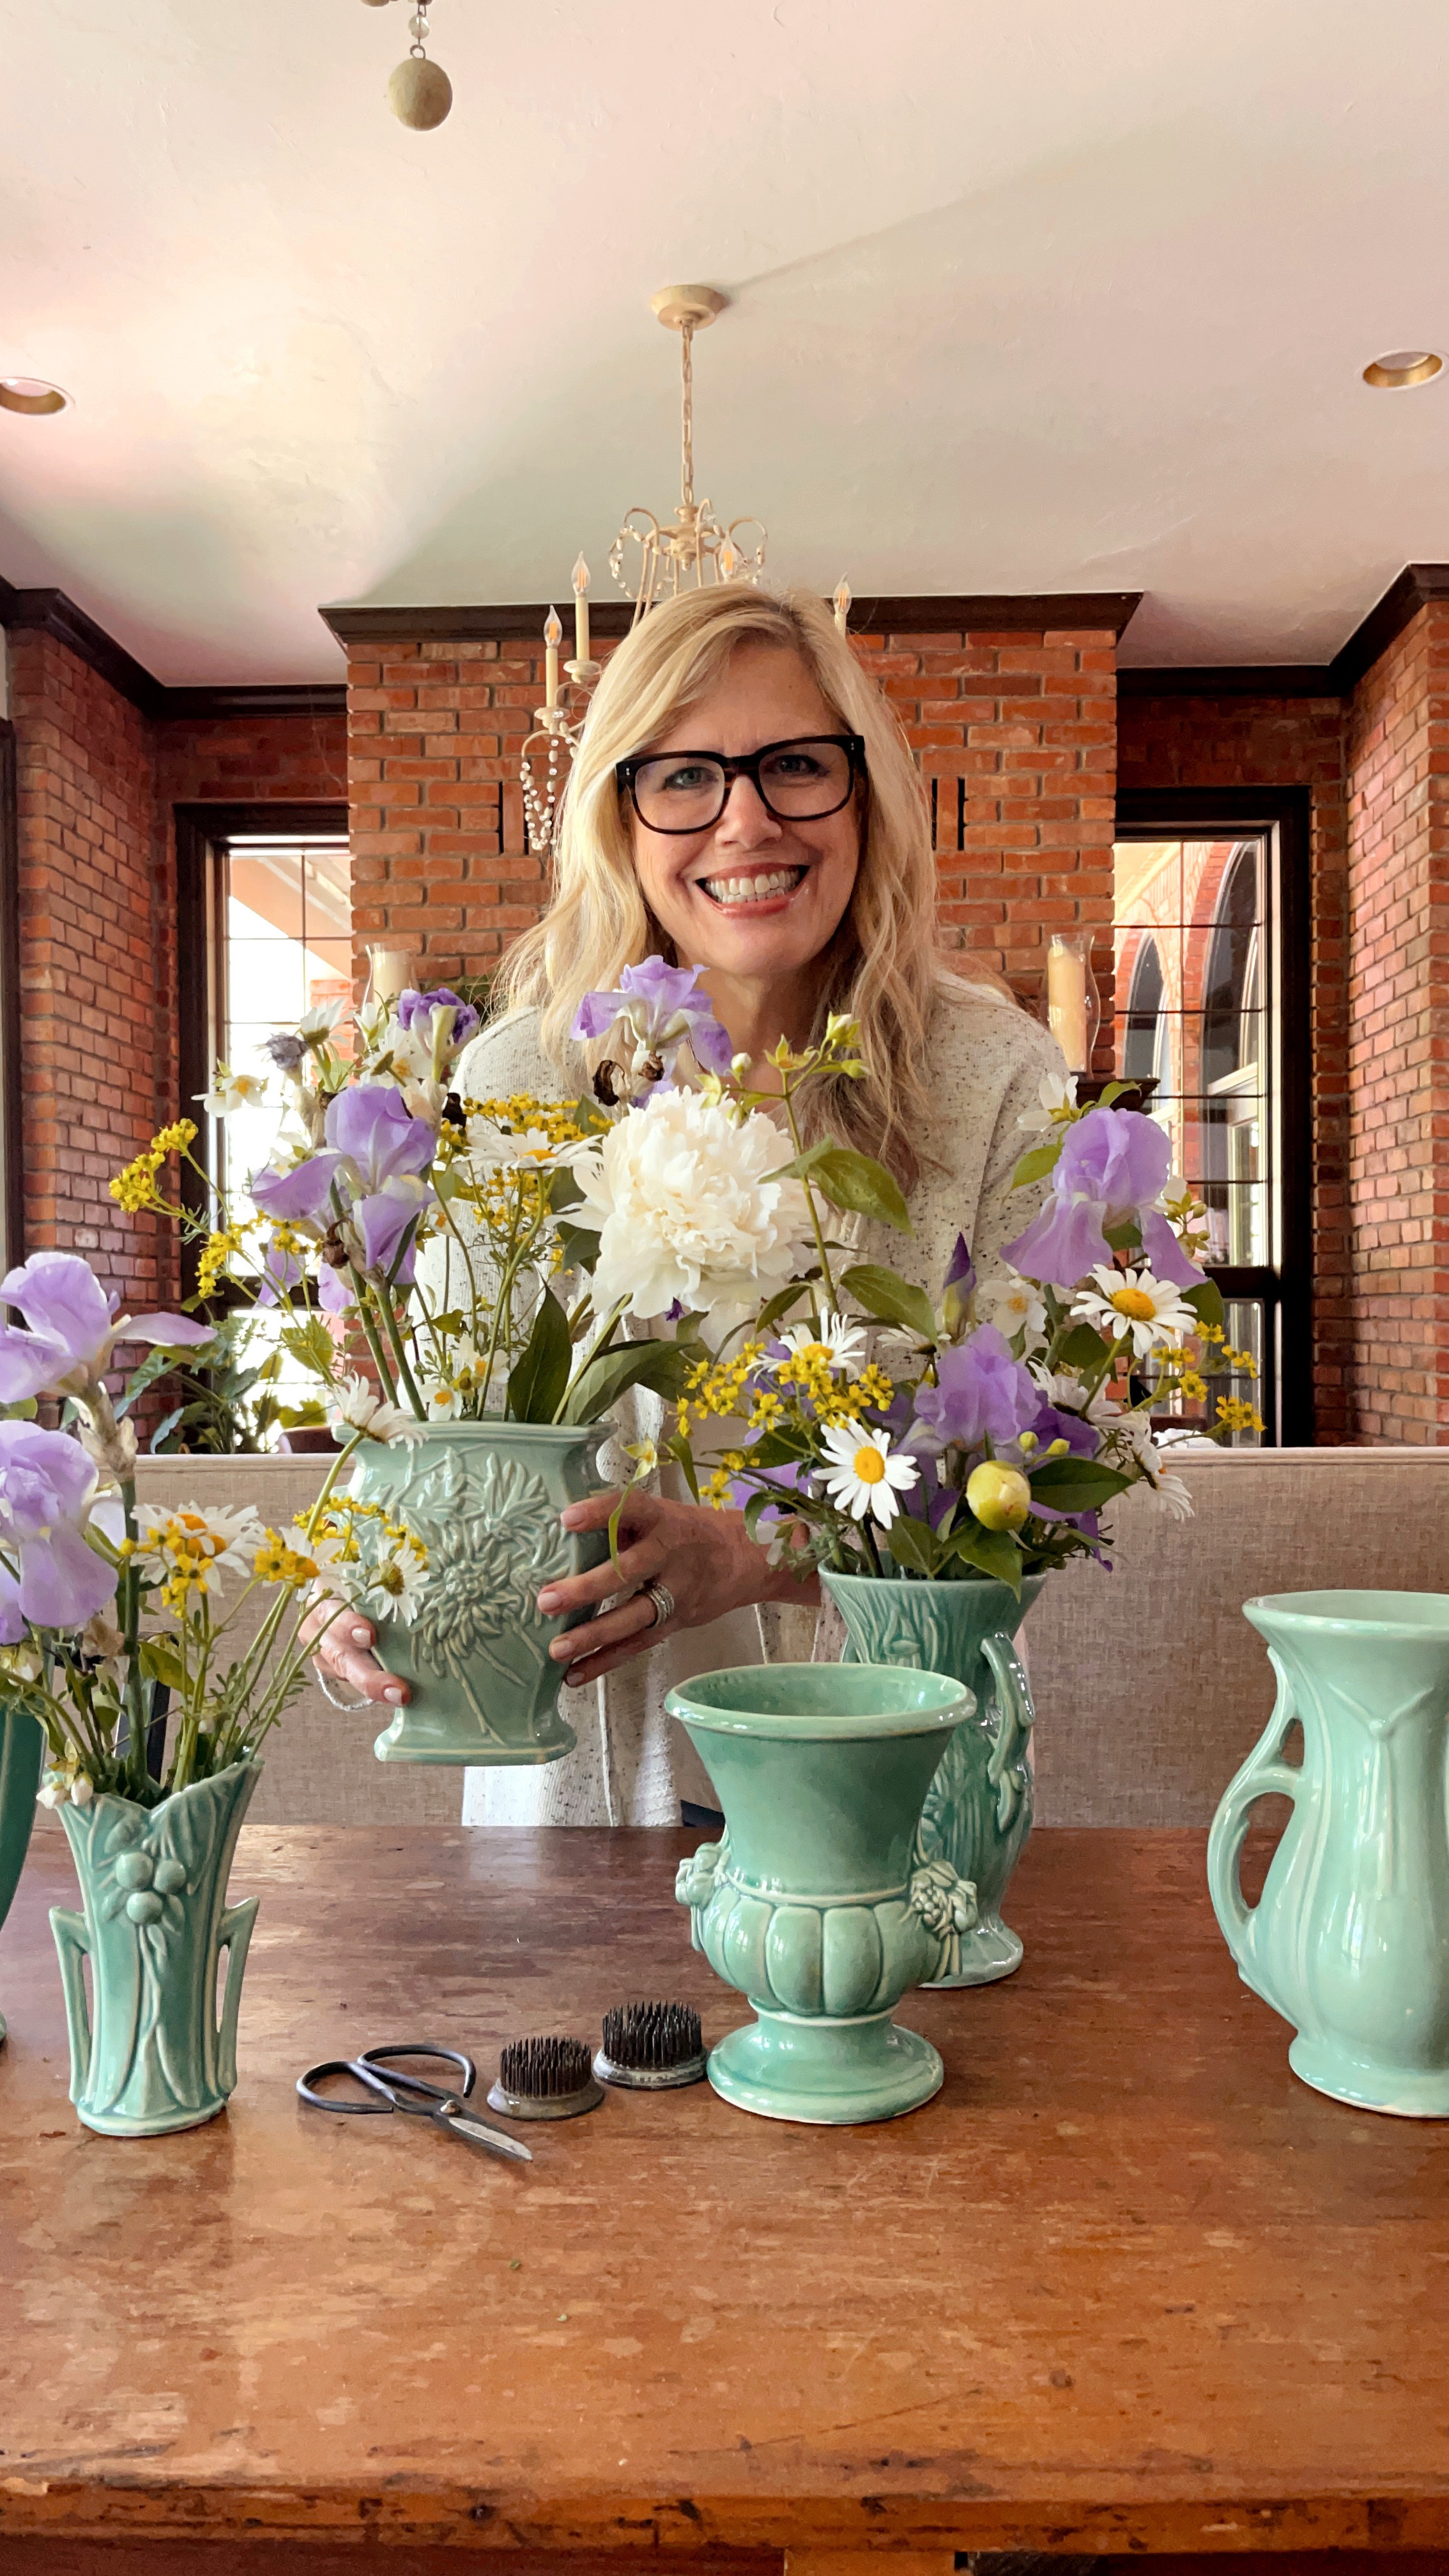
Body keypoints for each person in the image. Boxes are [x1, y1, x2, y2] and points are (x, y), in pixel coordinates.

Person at [313, 583, 1065, 1821]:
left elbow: (1042, 1488)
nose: (745, 820)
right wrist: (353, 1569)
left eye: (793, 765)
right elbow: (440, 1417)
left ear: (866, 792)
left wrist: (757, 1554)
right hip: (579, 1780)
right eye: (682, 778)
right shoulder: (522, 1076)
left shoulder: (994, 1078)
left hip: (900, 1771)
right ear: (620, 813)